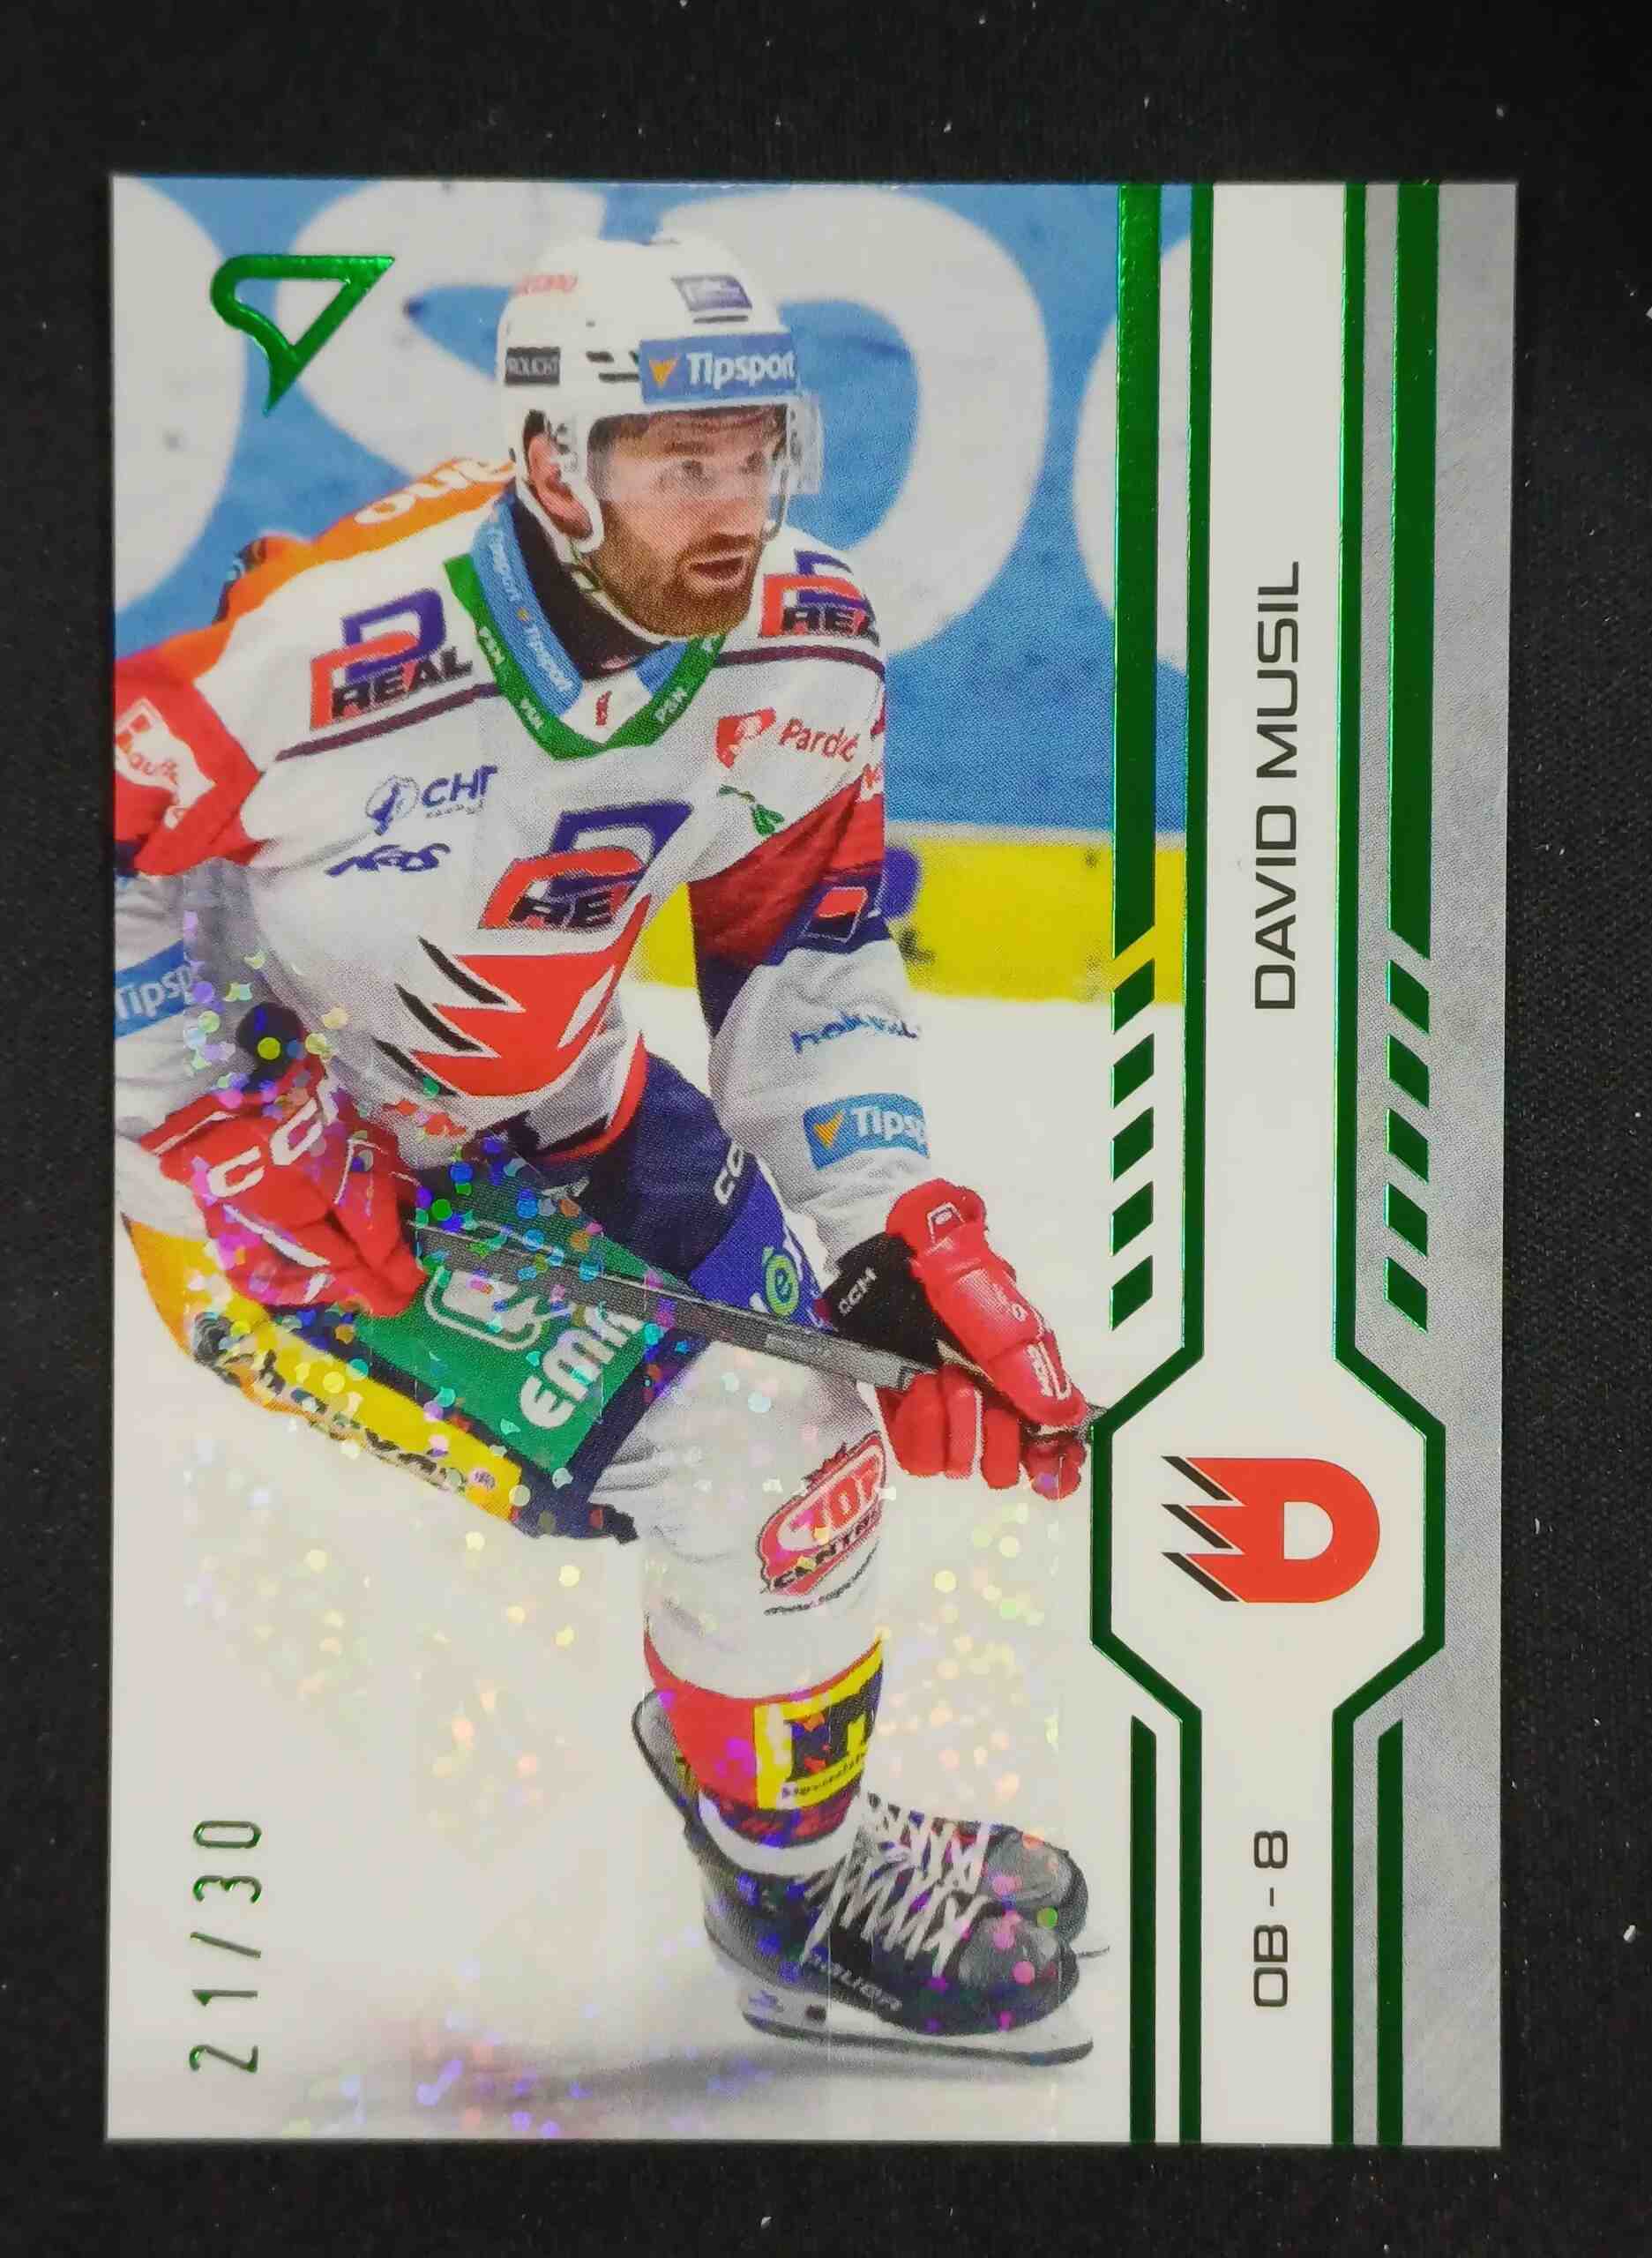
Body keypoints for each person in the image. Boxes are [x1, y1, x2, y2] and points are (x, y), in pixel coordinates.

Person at [114, 233, 1095, 2065]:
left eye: (754, 453)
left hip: (561, 1101)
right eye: (676, 462)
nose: (731, 510)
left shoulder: (806, 643)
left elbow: (806, 956)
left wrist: (899, 1225)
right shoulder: (338, 640)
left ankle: (763, 1795)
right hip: (289, 1202)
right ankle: (795, 1897)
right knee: (768, 1469)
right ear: (555, 466)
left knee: (817, 1454)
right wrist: (221, 1107)